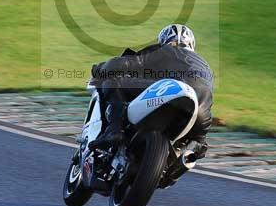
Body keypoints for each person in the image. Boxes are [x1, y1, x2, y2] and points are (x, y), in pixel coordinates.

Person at [88, 24, 214, 158]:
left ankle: (114, 130)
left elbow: (130, 63)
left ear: (165, 40)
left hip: (174, 92)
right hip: (202, 114)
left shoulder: (166, 50)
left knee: (114, 83)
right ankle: (177, 163)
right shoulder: (205, 65)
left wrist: (101, 69)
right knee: (198, 145)